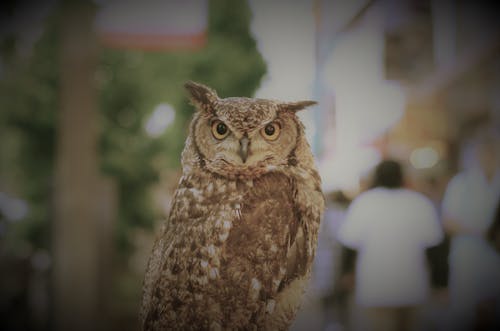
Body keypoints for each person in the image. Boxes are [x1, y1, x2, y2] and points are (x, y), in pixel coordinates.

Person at [337, 160, 443, 331]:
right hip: (412, 284)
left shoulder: (364, 203)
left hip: (375, 286)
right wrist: (440, 283)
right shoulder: (420, 203)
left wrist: (346, 273)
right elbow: (435, 248)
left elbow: (348, 245)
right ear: (402, 176)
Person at [441, 129, 500, 331]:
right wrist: (480, 232)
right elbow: (448, 221)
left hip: (495, 257)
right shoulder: (461, 183)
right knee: (464, 312)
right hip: (468, 256)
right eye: (483, 151)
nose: (488, 155)